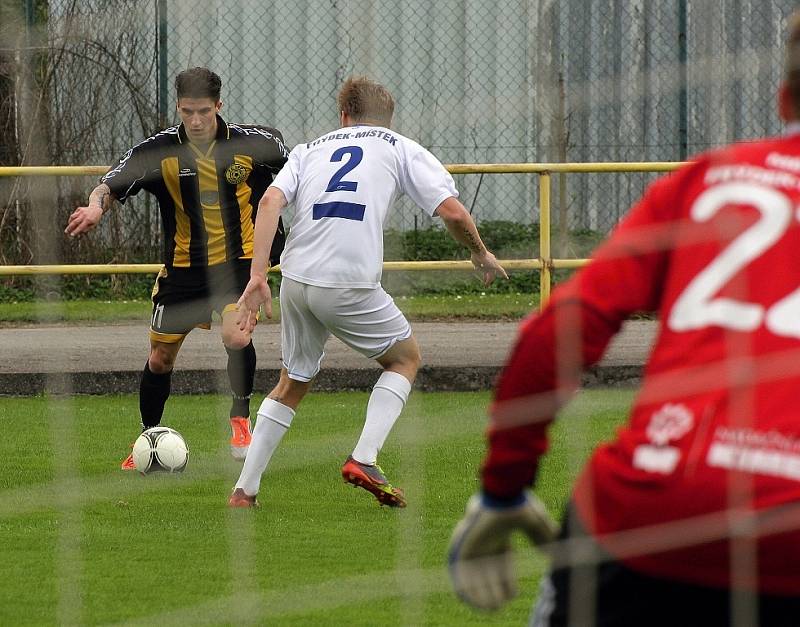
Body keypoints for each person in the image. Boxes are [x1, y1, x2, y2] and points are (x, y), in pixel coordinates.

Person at [449, 11, 800, 626]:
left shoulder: (708, 180)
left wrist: (503, 487)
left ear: (783, 95)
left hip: (650, 511)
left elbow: (555, 334)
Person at [227, 76, 508, 508]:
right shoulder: (398, 146)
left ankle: (244, 491)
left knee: (293, 381)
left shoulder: (309, 149)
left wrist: (258, 274)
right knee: (404, 359)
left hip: (298, 281)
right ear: (389, 120)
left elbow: (268, 203)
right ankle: (364, 457)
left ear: (343, 117)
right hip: (348, 282)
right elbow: (451, 211)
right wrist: (481, 253)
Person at [65, 67, 288, 467]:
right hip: (183, 272)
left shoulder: (256, 143)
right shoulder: (159, 151)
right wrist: (96, 207)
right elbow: (110, 185)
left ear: (219, 106)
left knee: (236, 337)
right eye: (188, 111)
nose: (197, 120)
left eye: (204, 111)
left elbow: (298, 174)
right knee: (159, 360)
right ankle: (148, 438)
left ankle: (239, 418)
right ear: (179, 108)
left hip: (238, 265)